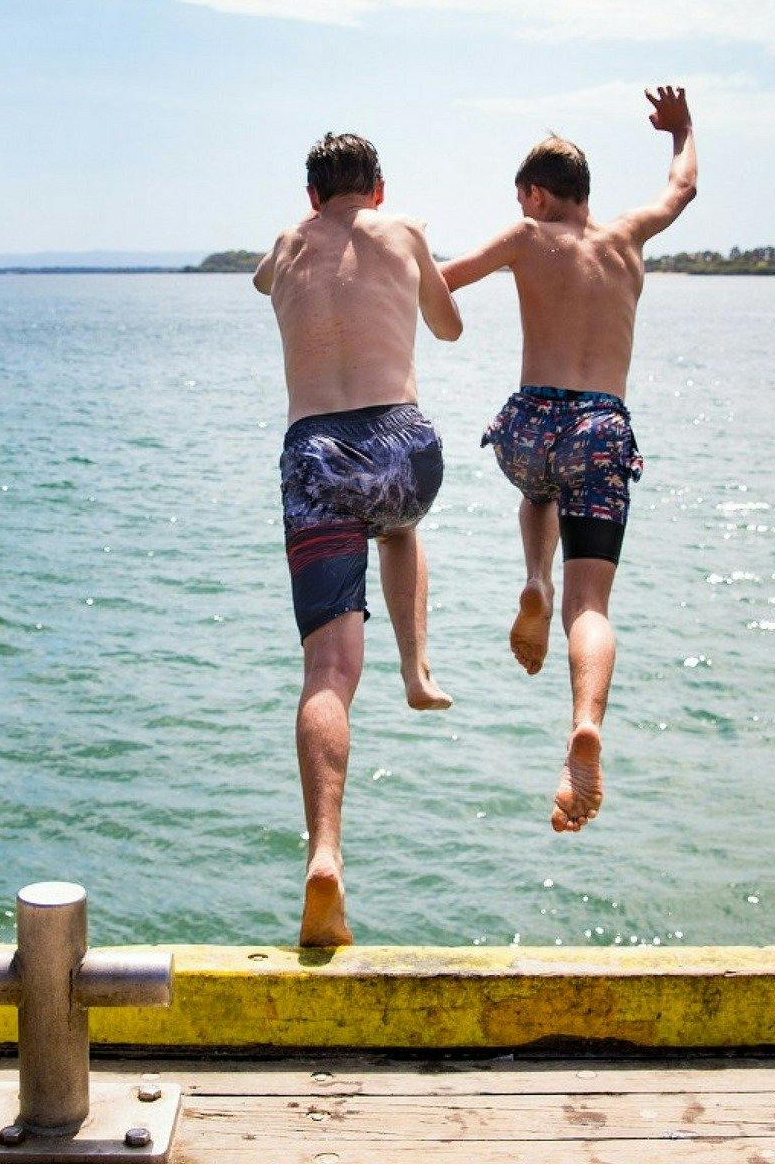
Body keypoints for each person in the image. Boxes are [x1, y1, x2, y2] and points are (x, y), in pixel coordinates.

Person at [442, 87, 697, 832]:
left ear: (535, 194)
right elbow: (683, 186)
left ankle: (532, 580)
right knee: (595, 607)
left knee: (537, 488)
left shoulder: (525, 236)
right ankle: (585, 725)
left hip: (528, 427)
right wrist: (681, 129)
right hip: (600, 426)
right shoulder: (627, 239)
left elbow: (440, 278)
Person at [254, 132, 462, 946]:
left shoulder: (286, 243)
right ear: (378, 188)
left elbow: (264, 279)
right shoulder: (404, 230)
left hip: (315, 455)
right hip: (402, 444)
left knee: (328, 673)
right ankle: (417, 668)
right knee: (400, 525)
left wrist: (292, 252)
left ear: (312, 197)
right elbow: (447, 326)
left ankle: (325, 855)